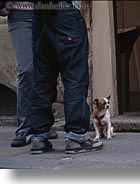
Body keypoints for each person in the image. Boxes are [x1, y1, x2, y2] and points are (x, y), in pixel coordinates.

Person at [30, 1, 103, 154]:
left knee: (42, 79)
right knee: (75, 77)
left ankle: (39, 136)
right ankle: (77, 136)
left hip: (39, 12)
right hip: (65, 12)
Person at [0, 1, 58, 147]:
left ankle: (43, 125)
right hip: (20, 14)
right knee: (27, 69)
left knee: (47, 69)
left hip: (48, 11)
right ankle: (25, 127)